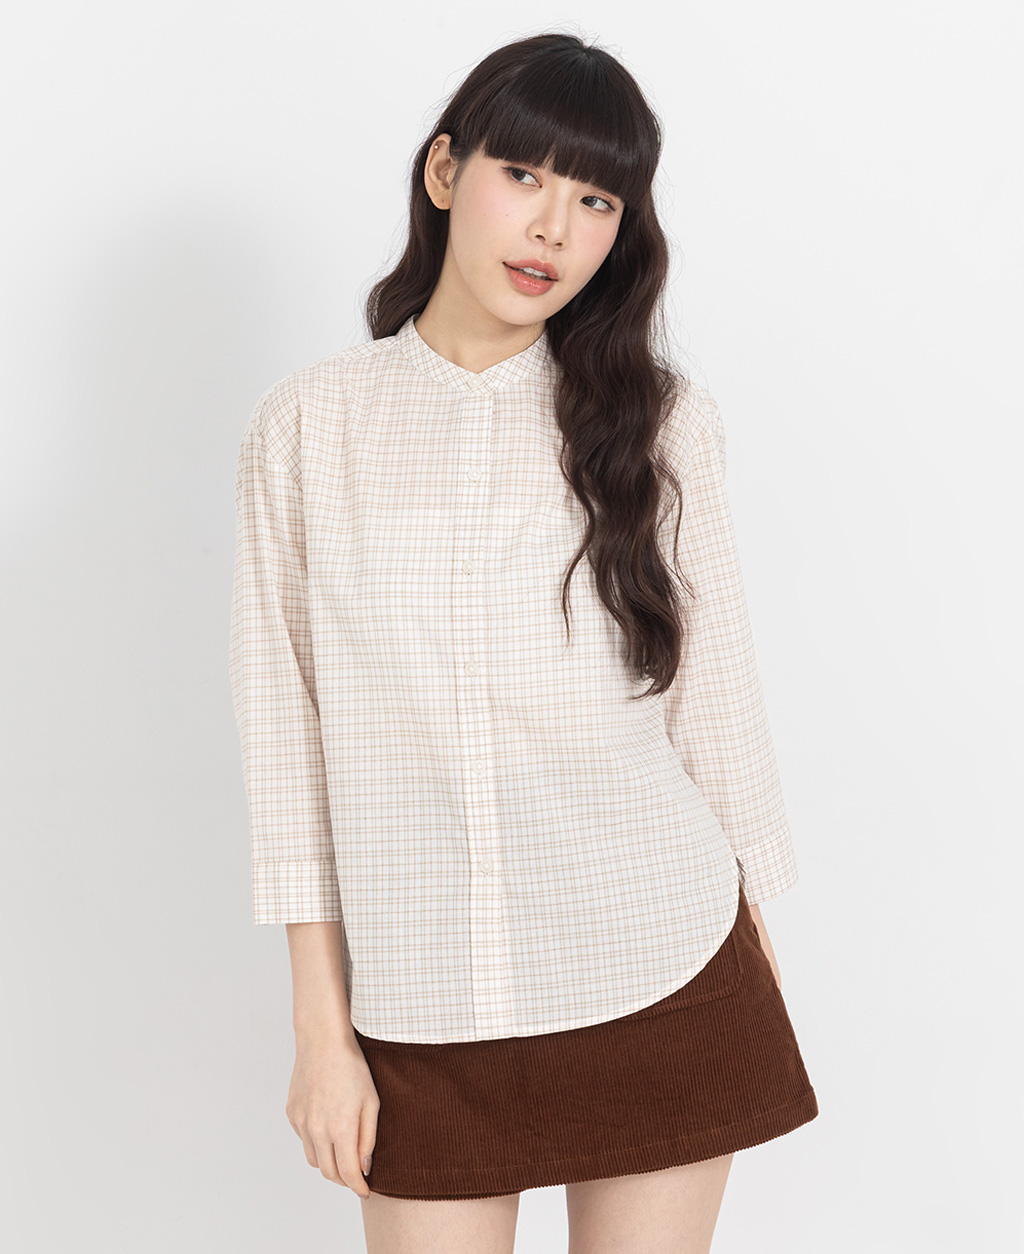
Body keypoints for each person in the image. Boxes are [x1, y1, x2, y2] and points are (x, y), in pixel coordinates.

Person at [229, 30, 818, 1254]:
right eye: (524, 176)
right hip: (421, 1000)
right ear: (446, 172)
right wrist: (320, 1032)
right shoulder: (307, 430)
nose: (553, 227)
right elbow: (288, 747)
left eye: (596, 199)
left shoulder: (659, 426)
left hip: (661, 964)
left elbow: (716, 699)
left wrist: (758, 951)